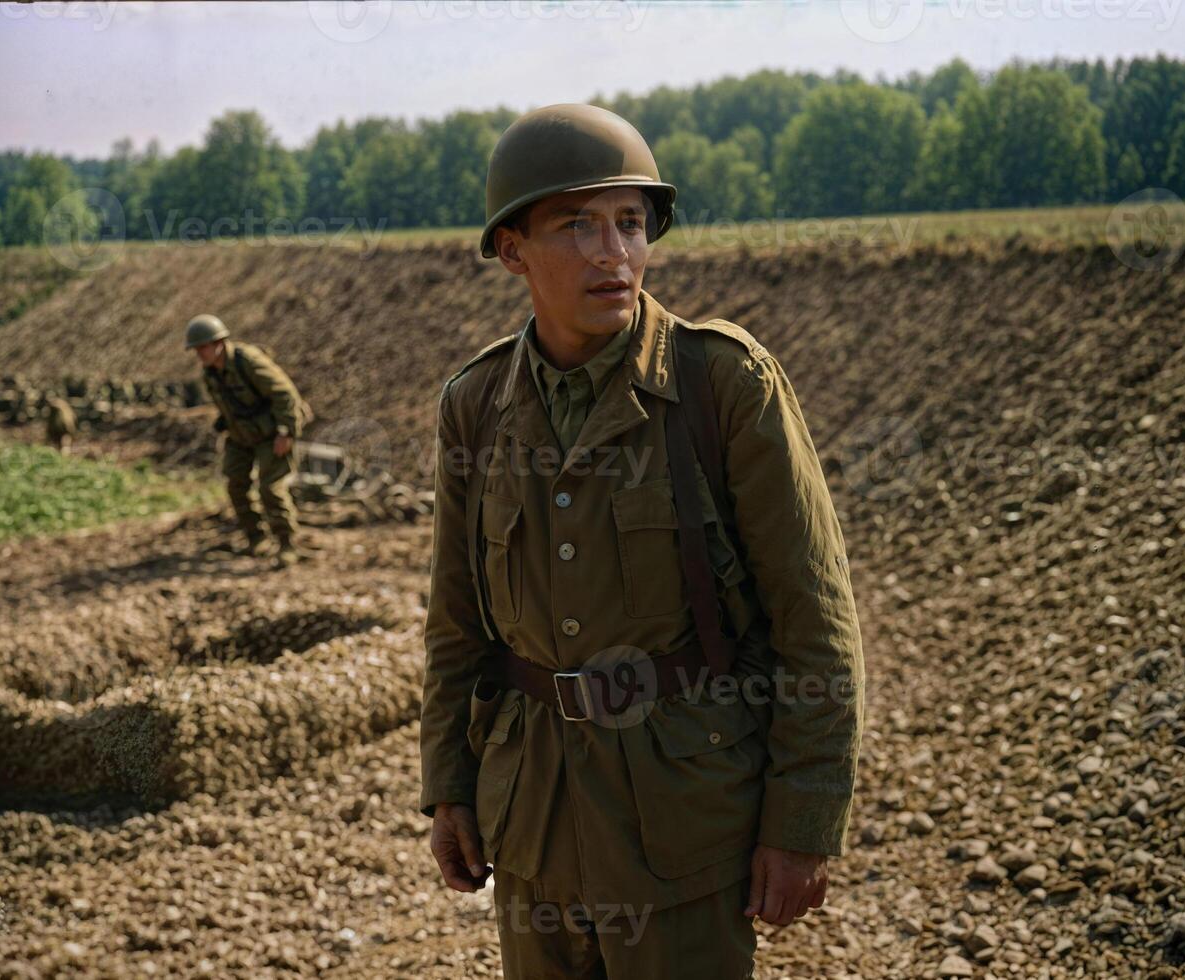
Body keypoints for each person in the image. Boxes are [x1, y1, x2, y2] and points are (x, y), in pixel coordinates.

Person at [420, 103, 866, 978]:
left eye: (629, 223)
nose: (611, 253)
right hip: (535, 821)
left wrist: (803, 821)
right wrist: (449, 787)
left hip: (685, 818)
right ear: (513, 250)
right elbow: (454, 618)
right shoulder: (475, 404)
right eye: (577, 225)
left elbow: (815, 616)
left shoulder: (722, 383)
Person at [185, 313, 310, 565]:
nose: (200, 354)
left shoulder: (249, 361)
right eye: (196, 350)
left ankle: (286, 543)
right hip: (241, 435)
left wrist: (286, 432)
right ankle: (256, 538)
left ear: (219, 342)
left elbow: (286, 395)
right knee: (236, 484)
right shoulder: (210, 374)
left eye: (203, 348)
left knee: (270, 487)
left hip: (272, 432)